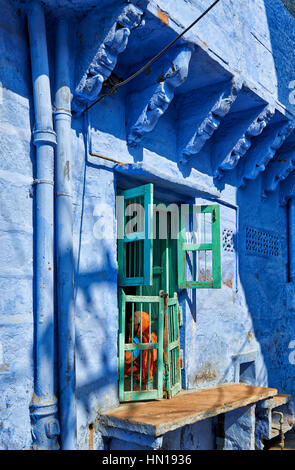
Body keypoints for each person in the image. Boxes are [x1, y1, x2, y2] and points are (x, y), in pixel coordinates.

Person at [124, 310, 157, 390]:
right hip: (153, 375)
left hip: (142, 376)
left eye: (130, 323)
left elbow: (127, 359)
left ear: (138, 325)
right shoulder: (152, 336)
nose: (128, 325)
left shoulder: (139, 339)